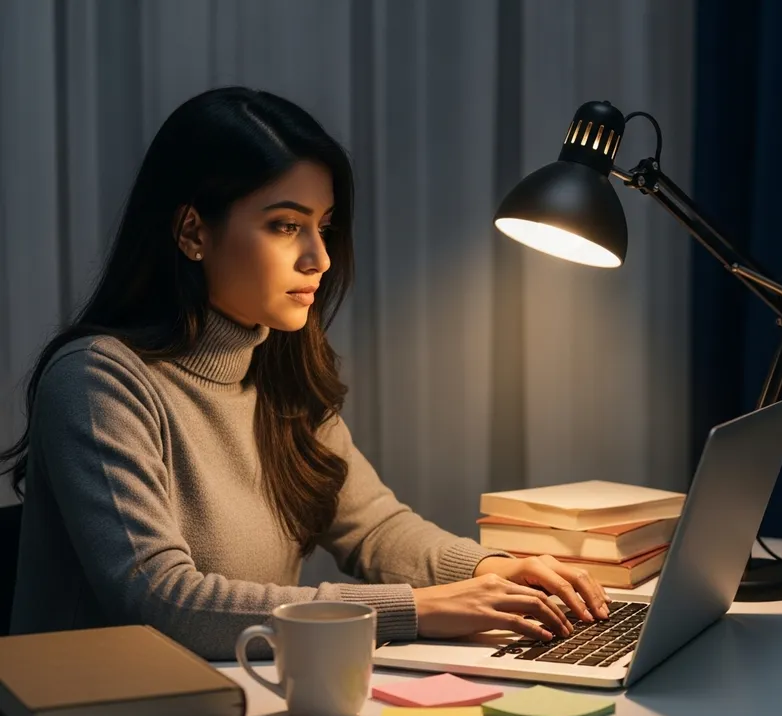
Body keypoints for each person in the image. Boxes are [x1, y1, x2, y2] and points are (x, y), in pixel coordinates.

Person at [0, 87, 609, 661]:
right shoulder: (96, 381)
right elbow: (163, 600)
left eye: (323, 225)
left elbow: (374, 526)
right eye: (286, 225)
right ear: (193, 231)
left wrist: (485, 568)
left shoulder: (278, 368)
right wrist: (414, 610)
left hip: (248, 707)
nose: (318, 256)